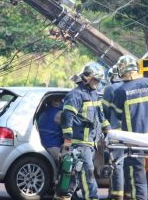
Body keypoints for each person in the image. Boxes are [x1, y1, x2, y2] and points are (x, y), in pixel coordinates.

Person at [112, 55, 148, 200]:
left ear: (122, 70)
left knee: (138, 181)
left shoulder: (120, 91)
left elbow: (118, 116)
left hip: (134, 143)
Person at [55, 62, 111, 200]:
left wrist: (108, 131)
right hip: (79, 144)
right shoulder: (75, 95)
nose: (97, 83)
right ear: (87, 77)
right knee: (88, 176)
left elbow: (101, 116)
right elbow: (67, 118)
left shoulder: (94, 94)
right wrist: (68, 140)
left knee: (73, 179)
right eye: (96, 80)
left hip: (90, 144)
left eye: (99, 81)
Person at [102, 65, 125, 200]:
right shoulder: (129, 87)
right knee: (129, 164)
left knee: (117, 164)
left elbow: (103, 112)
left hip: (115, 133)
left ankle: (117, 195)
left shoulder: (109, 89)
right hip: (132, 135)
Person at [37, 96, 64, 162]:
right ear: (53, 102)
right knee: (72, 160)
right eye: (59, 101)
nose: (62, 102)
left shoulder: (43, 111)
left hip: (42, 143)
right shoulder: (59, 113)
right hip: (52, 146)